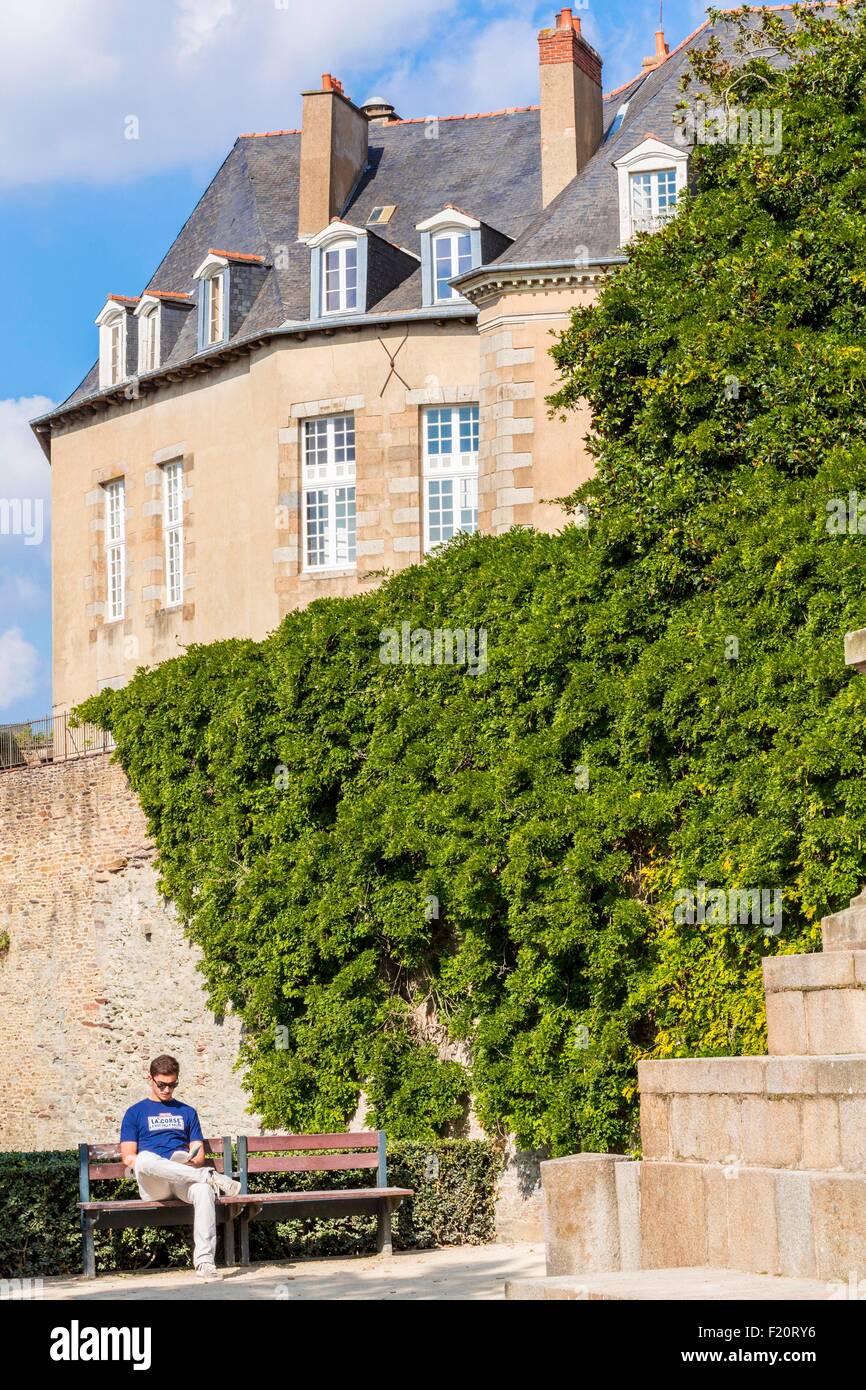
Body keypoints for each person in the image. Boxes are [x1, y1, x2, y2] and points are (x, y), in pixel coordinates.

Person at [119, 1053, 240, 1281]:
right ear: (150, 1079)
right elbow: (129, 1158)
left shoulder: (187, 1112)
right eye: (162, 1085)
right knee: (144, 1158)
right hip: (154, 1182)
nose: (167, 1090)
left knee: (204, 1191)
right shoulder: (135, 1112)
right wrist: (161, 1165)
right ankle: (210, 1177)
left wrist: (189, 1160)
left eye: (172, 1085)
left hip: (183, 1178)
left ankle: (205, 1263)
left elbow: (199, 1154)